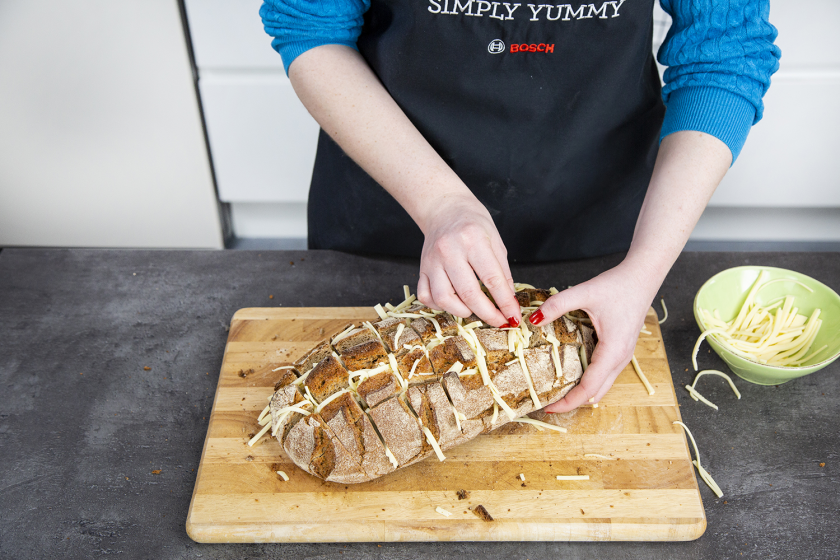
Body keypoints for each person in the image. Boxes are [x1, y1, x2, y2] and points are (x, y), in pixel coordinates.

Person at [259, 0, 780, 412]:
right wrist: (439, 201)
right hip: (391, 197)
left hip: (601, 228)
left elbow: (724, 54)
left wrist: (643, 271)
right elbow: (312, 26)